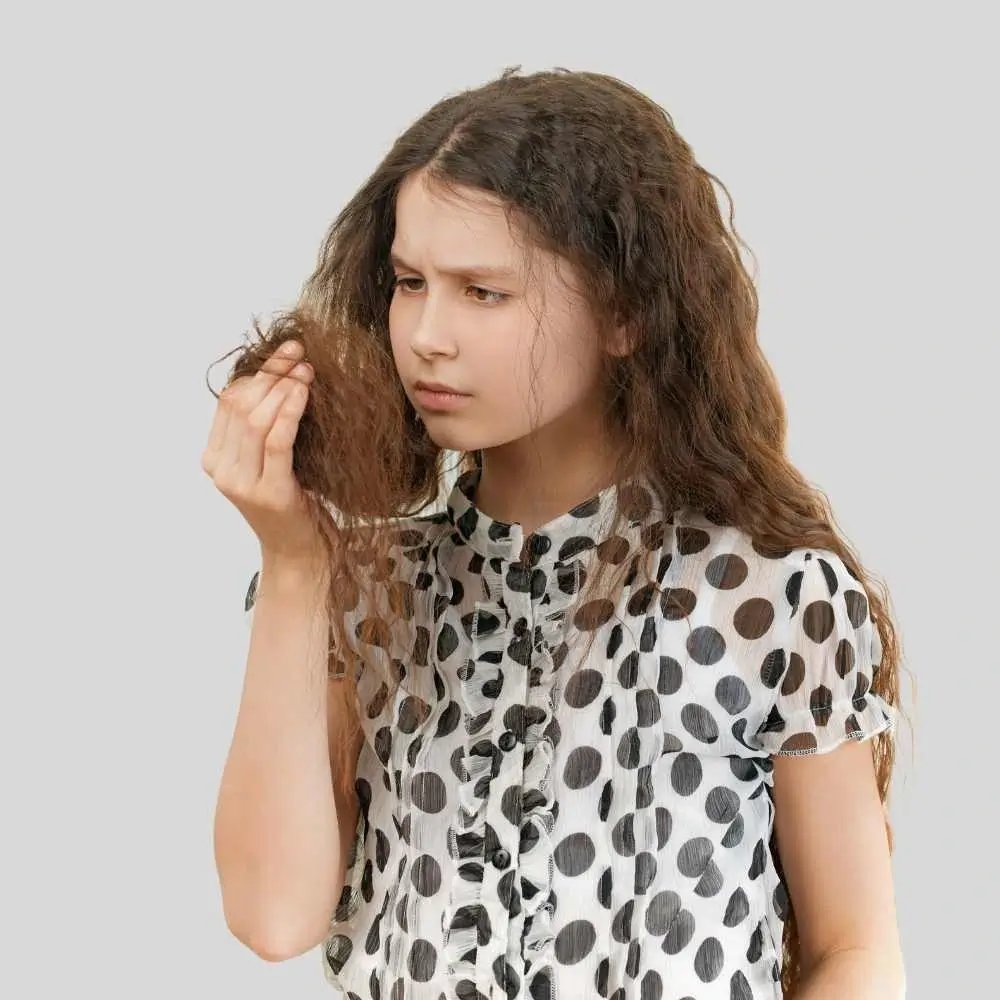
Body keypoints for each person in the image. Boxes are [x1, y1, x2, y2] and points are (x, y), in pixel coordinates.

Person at [203, 66, 908, 1000]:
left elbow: (855, 951)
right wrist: (293, 563)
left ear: (622, 312)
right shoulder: (363, 592)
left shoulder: (768, 595)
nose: (426, 336)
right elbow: (272, 915)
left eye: (483, 292)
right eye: (411, 283)